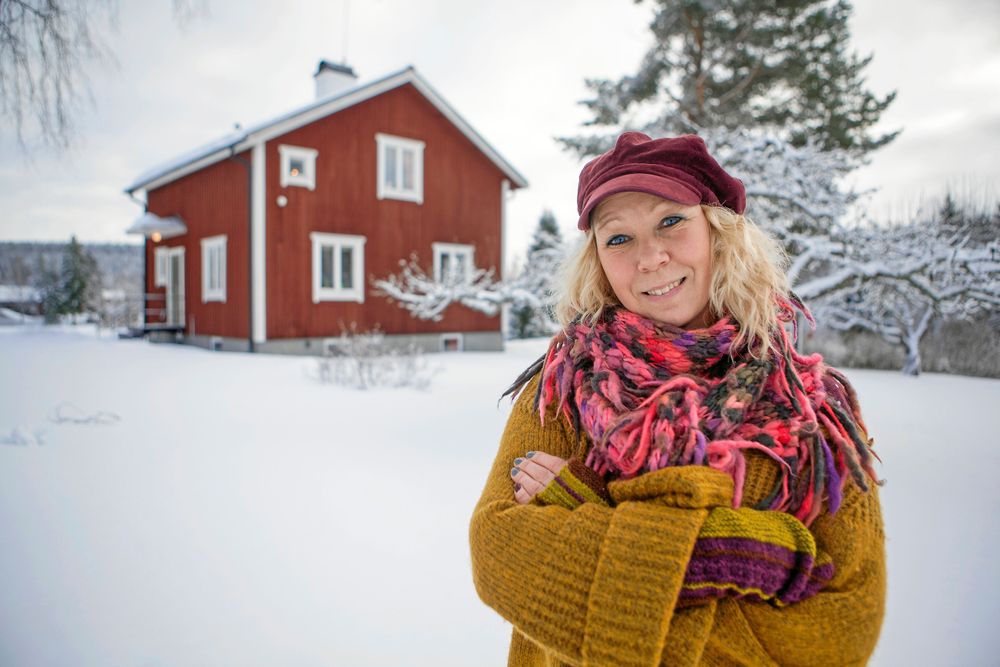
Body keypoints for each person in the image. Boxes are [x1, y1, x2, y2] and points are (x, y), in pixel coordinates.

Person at [469, 132, 886, 667]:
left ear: (719, 232)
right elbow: (497, 551)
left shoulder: (811, 407)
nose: (650, 257)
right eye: (618, 239)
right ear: (597, 260)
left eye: (671, 221)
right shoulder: (564, 385)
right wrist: (760, 557)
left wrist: (591, 511)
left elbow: (844, 630)